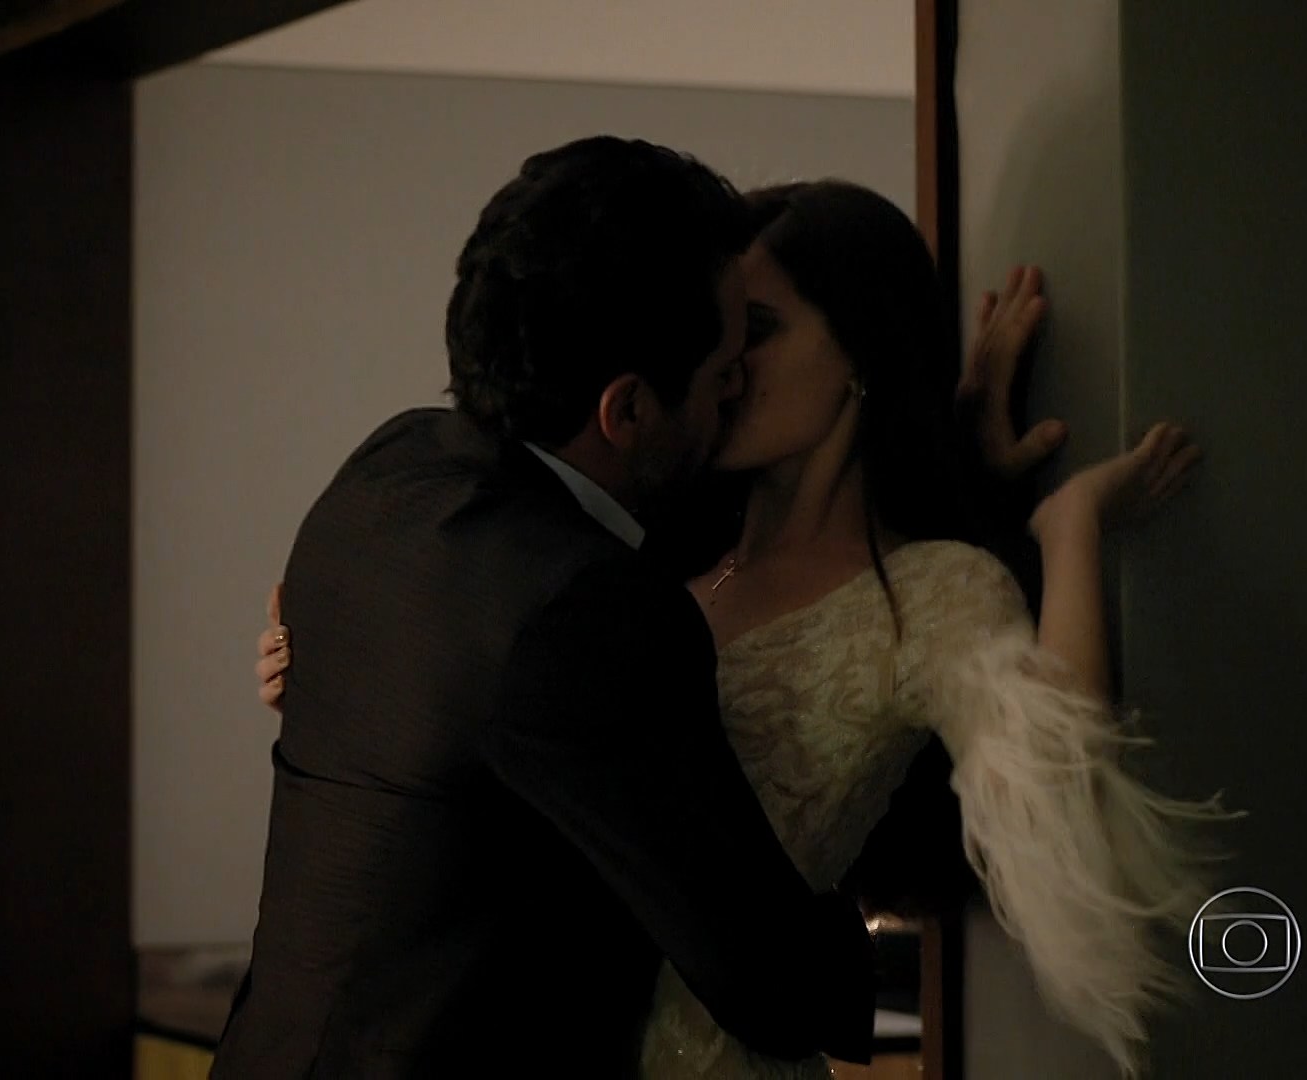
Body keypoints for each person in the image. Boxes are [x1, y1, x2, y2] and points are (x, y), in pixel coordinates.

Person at [255, 177, 1231, 1079]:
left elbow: (1060, 791)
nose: (724, 368)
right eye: (720, 337)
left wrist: (1066, 526)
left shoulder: (936, 592)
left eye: (754, 331)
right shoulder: (638, 551)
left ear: (860, 351)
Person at [210, 138, 883, 1080]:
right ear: (627, 410)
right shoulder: (591, 612)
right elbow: (770, 982)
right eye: (724, 366)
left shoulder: (391, 469)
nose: (738, 385)